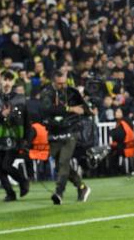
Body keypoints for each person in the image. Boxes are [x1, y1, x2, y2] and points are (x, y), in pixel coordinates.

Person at [40, 71, 91, 204]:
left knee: (63, 162)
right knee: (60, 165)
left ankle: (59, 193)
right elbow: (48, 109)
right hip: (54, 131)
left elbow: (85, 109)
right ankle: (82, 187)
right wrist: (70, 109)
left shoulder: (72, 92)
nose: (62, 85)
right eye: (59, 83)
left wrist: (85, 107)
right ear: (53, 81)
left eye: (64, 82)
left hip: (70, 130)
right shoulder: (47, 92)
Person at [0, 71, 30, 201]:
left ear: (13, 82)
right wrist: (2, 115)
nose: (6, 83)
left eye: (9, 80)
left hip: (14, 138)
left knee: (6, 165)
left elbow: (27, 120)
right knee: (0, 169)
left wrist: (26, 139)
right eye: (4, 80)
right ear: (0, 81)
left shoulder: (21, 98)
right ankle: (10, 193)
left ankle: (23, 181)